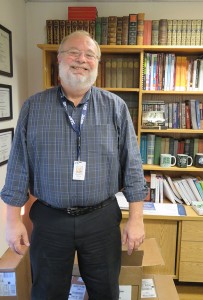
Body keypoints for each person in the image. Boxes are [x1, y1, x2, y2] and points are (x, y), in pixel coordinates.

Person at [1, 30, 148, 300]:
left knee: (105, 291)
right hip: (49, 219)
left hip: (101, 219)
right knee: (47, 292)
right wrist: (11, 221)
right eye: (73, 52)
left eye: (90, 55)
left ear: (97, 64)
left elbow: (133, 166)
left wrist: (136, 219)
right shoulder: (34, 107)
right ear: (58, 59)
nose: (81, 59)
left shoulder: (116, 107)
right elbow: (18, 167)